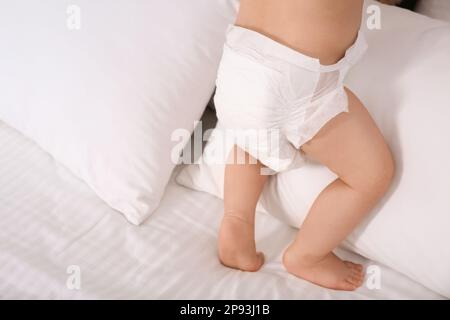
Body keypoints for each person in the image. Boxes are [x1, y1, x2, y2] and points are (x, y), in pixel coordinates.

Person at [214, 0, 395, 291]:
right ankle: (307, 256)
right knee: (371, 173)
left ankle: (237, 219)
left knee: (250, 139)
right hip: (298, 82)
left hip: (238, 65)